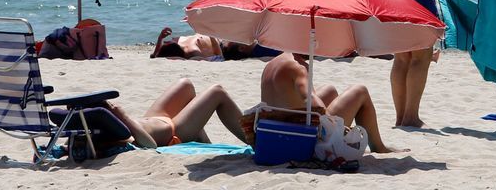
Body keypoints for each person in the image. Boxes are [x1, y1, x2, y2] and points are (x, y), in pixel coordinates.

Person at [259, 51, 400, 153]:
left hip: (275, 136)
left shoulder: (271, 65)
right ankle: (379, 147)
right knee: (360, 91)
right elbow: (310, 100)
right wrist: (334, 125)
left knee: (329, 90)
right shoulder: (298, 67)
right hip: (302, 140)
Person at [101, 78, 249, 150]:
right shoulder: (113, 138)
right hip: (174, 132)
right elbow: (150, 145)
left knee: (186, 84)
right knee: (217, 92)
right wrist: (123, 116)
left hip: (156, 117)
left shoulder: (100, 127)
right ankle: (253, 140)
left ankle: (204, 142)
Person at [150, 27, 223, 59]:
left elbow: (155, 56)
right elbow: (219, 57)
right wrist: (211, 35)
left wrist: (160, 38)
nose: (165, 42)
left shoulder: (178, 42)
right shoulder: (193, 51)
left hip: (208, 34)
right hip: (218, 40)